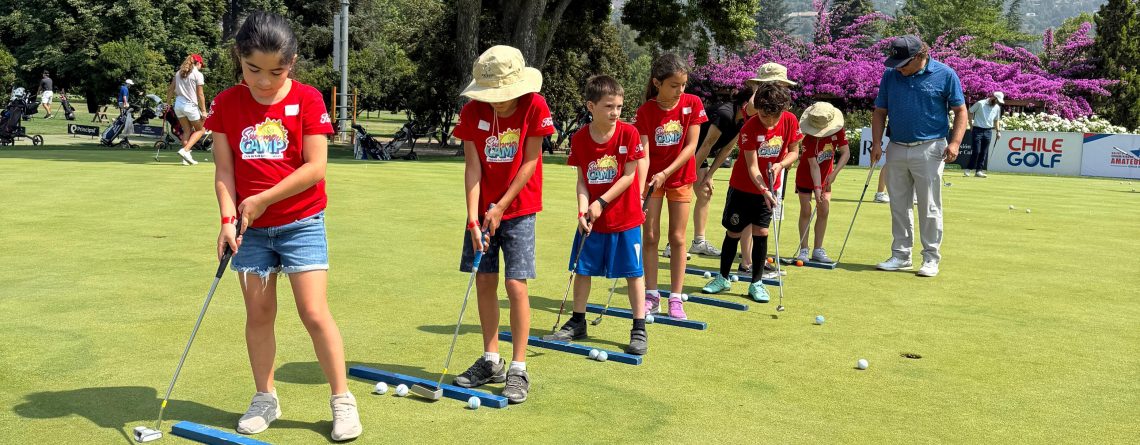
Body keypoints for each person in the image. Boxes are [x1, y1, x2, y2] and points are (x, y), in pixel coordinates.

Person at [204, 11, 361, 441]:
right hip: (249, 230)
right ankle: (265, 398)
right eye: (253, 69)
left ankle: (342, 400)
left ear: (291, 62)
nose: (263, 81)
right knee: (259, 314)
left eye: (276, 71)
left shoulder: (308, 99)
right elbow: (224, 171)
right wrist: (227, 219)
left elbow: (315, 168)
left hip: (302, 222)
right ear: (239, 58)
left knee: (313, 312)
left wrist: (261, 199)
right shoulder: (226, 103)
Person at [452, 45, 554, 404]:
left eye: (501, 94)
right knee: (484, 280)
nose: (495, 101)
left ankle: (518, 367)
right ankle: (491, 359)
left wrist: (501, 206)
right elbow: (473, 167)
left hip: (520, 209)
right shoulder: (472, 111)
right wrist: (473, 217)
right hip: (482, 212)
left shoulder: (534, 106)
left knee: (515, 285)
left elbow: (530, 162)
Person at [544, 75, 648, 355]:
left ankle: (639, 328)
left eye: (619, 107)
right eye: (609, 106)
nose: (615, 112)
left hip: (625, 219)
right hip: (592, 218)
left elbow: (629, 176)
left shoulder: (629, 134)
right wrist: (582, 211)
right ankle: (578, 322)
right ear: (591, 106)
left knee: (634, 273)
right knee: (582, 269)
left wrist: (601, 202)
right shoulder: (579, 138)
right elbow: (582, 181)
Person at [870, 35, 968, 278]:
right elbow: (880, 111)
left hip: (931, 146)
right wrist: (877, 143)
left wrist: (955, 143)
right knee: (898, 204)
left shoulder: (945, 74)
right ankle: (901, 255)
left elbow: (960, 110)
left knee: (929, 205)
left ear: (919, 57)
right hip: (896, 145)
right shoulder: (890, 75)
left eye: (903, 63)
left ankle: (931, 258)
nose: (898, 68)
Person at [701, 82, 801, 302]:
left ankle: (756, 283)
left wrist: (781, 164)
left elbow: (794, 152)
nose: (769, 122)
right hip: (743, 188)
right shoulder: (749, 128)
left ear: (783, 110)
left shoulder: (790, 121)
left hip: (769, 188)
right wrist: (764, 189)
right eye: (764, 116)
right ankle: (722, 278)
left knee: (761, 233)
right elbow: (752, 167)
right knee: (733, 232)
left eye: (774, 117)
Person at [634, 53, 707, 319]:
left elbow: (691, 147)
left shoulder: (692, 103)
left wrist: (666, 172)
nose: (680, 90)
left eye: (683, 84)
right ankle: (651, 295)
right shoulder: (645, 111)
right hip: (653, 181)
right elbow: (643, 153)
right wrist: (641, 189)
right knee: (650, 237)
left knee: (677, 238)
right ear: (657, 83)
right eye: (674, 85)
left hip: (680, 178)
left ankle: (676, 298)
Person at [689, 89, 754, 258]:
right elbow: (707, 144)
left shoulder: (745, 120)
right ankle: (672, 244)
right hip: (684, 150)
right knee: (681, 197)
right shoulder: (725, 114)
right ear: (745, 104)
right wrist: (690, 175)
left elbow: (727, 149)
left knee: (705, 193)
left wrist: (709, 175)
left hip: (698, 153)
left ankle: (698, 242)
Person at [793, 102, 850, 263]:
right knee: (806, 211)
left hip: (826, 177)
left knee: (824, 210)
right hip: (805, 177)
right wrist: (817, 189)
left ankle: (818, 249)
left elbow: (845, 153)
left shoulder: (838, 131)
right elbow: (813, 166)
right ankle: (804, 249)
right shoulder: (808, 140)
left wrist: (834, 173)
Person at [168, 54, 209, 166]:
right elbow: (200, 94)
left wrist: (167, 104)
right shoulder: (198, 74)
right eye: (201, 65)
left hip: (178, 105)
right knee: (201, 130)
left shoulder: (178, 73)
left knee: (187, 131)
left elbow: (171, 89)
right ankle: (185, 151)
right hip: (190, 106)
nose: (201, 67)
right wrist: (204, 110)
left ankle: (185, 159)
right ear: (198, 63)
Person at [964, 91, 1004, 177]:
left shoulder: (997, 107)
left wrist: (998, 131)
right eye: (997, 100)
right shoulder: (980, 103)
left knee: (984, 152)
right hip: (977, 130)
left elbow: (996, 120)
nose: (997, 102)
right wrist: (971, 124)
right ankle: (968, 169)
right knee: (976, 151)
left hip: (988, 131)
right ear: (993, 97)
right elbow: (970, 111)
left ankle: (979, 171)